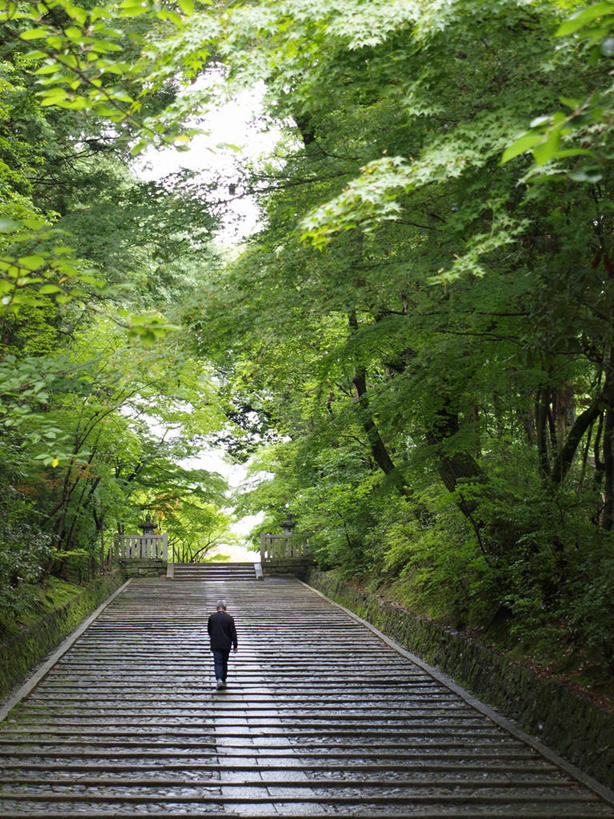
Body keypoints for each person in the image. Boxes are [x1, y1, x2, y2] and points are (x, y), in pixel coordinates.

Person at [207, 599, 238, 690]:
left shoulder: (212, 617)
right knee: (224, 662)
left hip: (215, 644)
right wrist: (235, 645)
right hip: (226, 644)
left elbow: (209, 630)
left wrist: (213, 637)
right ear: (225, 607)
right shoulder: (229, 618)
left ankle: (219, 679)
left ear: (217, 608)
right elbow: (233, 633)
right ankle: (223, 679)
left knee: (218, 662)